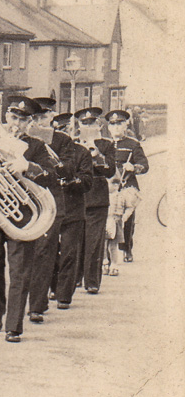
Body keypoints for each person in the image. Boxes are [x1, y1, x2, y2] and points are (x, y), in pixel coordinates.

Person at [0, 97, 57, 343]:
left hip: (23, 215)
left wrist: (28, 166)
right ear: (5, 117)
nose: (16, 124)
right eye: (13, 118)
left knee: (20, 272)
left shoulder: (37, 146)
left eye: (22, 120)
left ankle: (13, 325)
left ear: (30, 122)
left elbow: (51, 175)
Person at [26, 97, 73, 324]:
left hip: (51, 202)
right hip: (25, 203)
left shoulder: (63, 140)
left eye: (43, 117)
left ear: (52, 117)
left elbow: (68, 171)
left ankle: (36, 305)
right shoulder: (21, 139)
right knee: (27, 255)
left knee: (43, 253)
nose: (39, 122)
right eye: (35, 118)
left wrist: (49, 156)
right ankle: (35, 299)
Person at [50, 112, 93, 310]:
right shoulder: (46, 150)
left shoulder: (82, 152)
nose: (63, 133)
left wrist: (71, 182)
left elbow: (87, 181)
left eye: (66, 129)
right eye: (59, 129)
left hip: (73, 208)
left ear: (72, 130)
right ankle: (52, 287)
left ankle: (64, 295)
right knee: (49, 252)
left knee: (69, 252)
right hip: (51, 208)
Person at [76, 107, 117, 294]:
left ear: (99, 125)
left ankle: (91, 281)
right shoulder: (73, 143)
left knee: (94, 242)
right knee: (75, 240)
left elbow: (110, 170)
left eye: (91, 122)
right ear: (79, 125)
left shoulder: (106, 144)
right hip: (77, 196)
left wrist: (97, 154)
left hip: (97, 198)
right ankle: (75, 277)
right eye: (84, 123)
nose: (88, 126)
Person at [105, 109, 148, 263]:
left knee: (126, 220)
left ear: (126, 126)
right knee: (108, 218)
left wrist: (134, 167)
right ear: (109, 127)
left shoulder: (133, 144)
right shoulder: (104, 144)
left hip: (126, 185)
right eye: (113, 124)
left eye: (119, 124)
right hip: (109, 186)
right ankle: (107, 253)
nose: (116, 127)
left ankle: (127, 248)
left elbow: (144, 165)